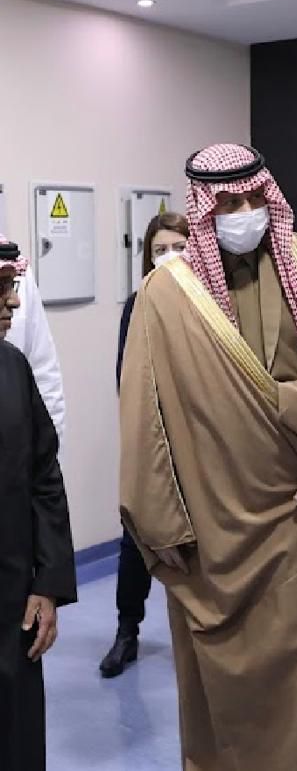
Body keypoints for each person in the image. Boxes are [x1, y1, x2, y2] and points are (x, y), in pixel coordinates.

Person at [118, 144, 297, 771]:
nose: (243, 213)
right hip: (216, 525)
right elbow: (145, 415)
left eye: (252, 198)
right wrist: (161, 524)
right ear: (201, 208)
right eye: (226, 203)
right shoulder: (166, 293)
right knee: (230, 695)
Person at [99, 211, 189, 678]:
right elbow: (126, 376)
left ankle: (202, 637)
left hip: (201, 447)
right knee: (136, 537)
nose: (170, 257)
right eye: (160, 250)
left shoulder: (213, 303)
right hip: (153, 440)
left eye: (180, 247)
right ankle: (126, 632)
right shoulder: (137, 305)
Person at [0, 236, 76, 771]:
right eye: (3, 288)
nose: (14, 300)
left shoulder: (13, 367)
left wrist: (47, 585)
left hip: (11, 602)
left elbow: (45, 480)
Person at [2, 234, 66, 442]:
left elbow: (44, 374)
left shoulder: (13, 361)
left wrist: (53, 447)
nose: (13, 301)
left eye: (9, 284)